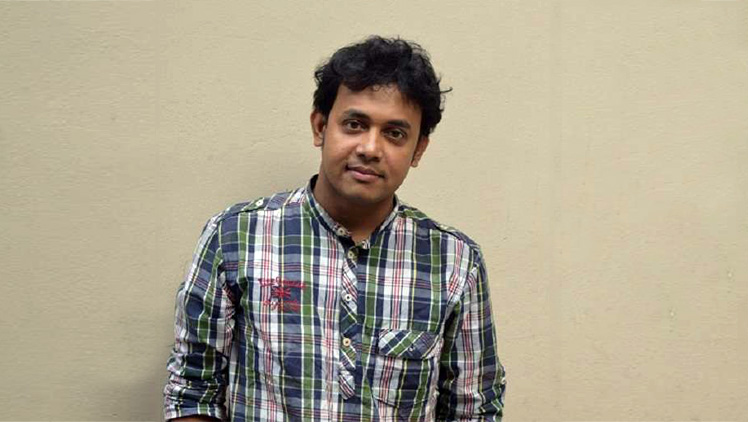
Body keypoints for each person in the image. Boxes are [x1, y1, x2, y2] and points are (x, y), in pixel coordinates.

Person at [163, 35, 506, 422]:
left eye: (395, 133)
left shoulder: (454, 262)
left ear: (418, 150)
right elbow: (192, 393)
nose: (370, 148)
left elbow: (473, 408)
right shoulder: (236, 238)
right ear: (320, 127)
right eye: (354, 124)